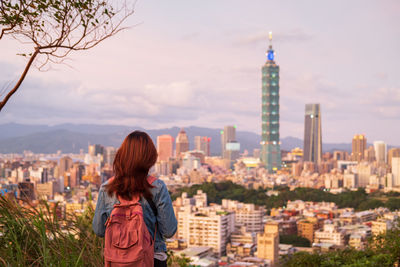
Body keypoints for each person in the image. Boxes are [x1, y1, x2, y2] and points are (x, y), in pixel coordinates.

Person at [93, 131, 177, 266]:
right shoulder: (157, 187)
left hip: (117, 260)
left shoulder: (106, 188)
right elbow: (169, 230)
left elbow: (99, 230)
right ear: (149, 157)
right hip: (152, 258)